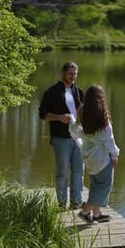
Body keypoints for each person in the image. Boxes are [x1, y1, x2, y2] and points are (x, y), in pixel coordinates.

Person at [68, 84, 120, 224]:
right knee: (104, 186)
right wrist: (115, 155)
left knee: (96, 184)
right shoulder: (102, 119)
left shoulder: (82, 112)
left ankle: (96, 214)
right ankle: (86, 211)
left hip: (88, 156)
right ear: (101, 99)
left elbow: (74, 130)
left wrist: (72, 121)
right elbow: (110, 141)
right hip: (102, 158)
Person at [39, 61, 85, 209]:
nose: (73, 77)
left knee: (79, 171)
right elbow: (43, 115)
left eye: (75, 74)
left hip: (78, 138)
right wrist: (60, 117)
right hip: (61, 138)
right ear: (63, 73)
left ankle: (76, 202)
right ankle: (61, 203)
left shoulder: (79, 92)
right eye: (70, 73)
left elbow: (85, 113)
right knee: (62, 172)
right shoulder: (51, 92)